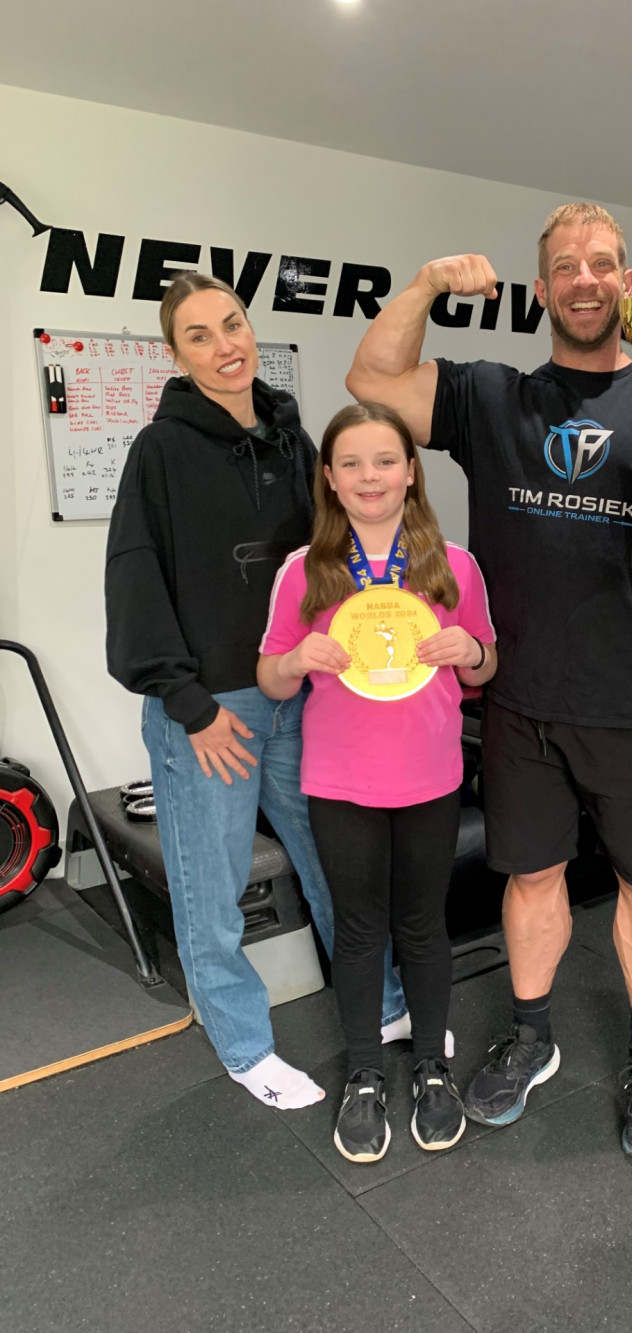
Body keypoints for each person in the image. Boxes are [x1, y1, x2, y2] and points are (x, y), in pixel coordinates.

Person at [345, 202, 632, 1157]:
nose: (586, 279)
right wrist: (422, 285)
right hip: (523, 700)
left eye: (603, 264)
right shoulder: (493, 396)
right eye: (567, 267)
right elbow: (370, 376)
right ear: (544, 291)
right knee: (531, 875)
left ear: (628, 283)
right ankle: (531, 1035)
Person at [105, 273, 408, 1108]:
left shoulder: (290, 438)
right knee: (214, 889)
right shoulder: (158, 453)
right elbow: (135, 585)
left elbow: (334, 549)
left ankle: (383, 1006)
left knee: (337, 865)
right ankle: (244, 1046)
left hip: (301, 695)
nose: (224, 344)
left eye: (231, 324)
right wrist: (190, 707)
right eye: (199, 335)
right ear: (175, 354)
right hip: (213, 709)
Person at [257, 402, 496, 1162]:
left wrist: (471, 650)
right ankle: (364, 1071)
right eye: (352, 463)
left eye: (385, 460)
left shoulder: (452, 564)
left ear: (410, 470)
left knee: (424, 926)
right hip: (340, 783)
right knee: (358, 930)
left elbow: (487, 665)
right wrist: (295, 662)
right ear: (329, 477)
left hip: (429, 778)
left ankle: (431, 1065)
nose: (370, 476)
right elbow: (268, 676)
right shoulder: (306, 571)